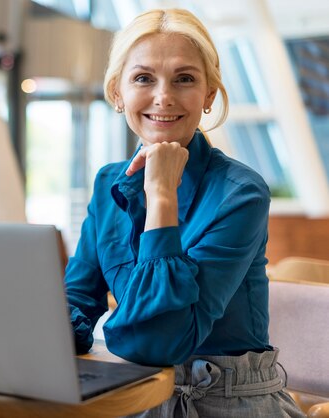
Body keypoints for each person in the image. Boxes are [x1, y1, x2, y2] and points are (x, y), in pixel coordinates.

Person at [64, 8, 305, 418]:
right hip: (135, 395)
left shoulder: (241, 194)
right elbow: (78, 297)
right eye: (143, 78)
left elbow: (160, 343)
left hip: (228, 404)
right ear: (118, 93)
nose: (164, 96)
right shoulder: (109, 183)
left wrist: (161, 195)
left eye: (185, 79)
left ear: (209, 95)